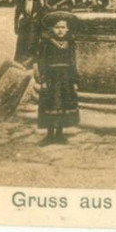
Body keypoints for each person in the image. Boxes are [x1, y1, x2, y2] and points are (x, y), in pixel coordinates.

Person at [34, 16, 79, 145]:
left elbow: (73, 62)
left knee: (63, 104)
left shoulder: (70, 43)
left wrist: (74, 80)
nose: (60, 30)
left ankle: (59, 133)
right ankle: (49, 134)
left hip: (65, 78)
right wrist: (43, 78)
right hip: (51, 78)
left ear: (67, 29)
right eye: (57, 27)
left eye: (63, 27)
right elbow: (42, 61)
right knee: (50, 104)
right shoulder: (47, 43)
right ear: (52, 29)